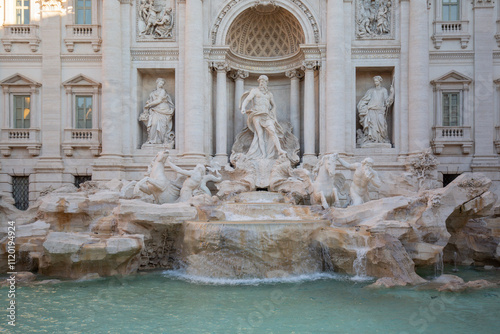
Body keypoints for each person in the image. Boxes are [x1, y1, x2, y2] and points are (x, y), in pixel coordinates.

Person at [240, 75, 287, 159]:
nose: (262, 83)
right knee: (260, 134)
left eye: (264, 81)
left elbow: (273, 105)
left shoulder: (269, 94)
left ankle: (279, 149)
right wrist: (243, 107)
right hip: (256, 115)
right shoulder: (255, 91)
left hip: (266, 115)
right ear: (259, 82)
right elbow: (247, 99)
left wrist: (273, 114)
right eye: (261, 81)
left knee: (272, 131)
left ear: (266, 83)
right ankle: (263, 154)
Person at [357, 76, 394, 144]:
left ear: (380, 81)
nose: (375, 83)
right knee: (372, 126)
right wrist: (362, 107)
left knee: (381, 124)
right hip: (371, 110)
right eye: (374, 81)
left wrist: (392, 93)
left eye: (376, 81)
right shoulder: (371, 91)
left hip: (380, 110)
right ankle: (373, 140)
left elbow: (387, 102)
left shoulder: (384, 90)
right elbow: (364, 100)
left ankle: (381, 139)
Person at [142, 78, 175, 144]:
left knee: (163, 127)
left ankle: (160, 140)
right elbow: (151, 101)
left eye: (163, 83)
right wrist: (148, 103)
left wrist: (149, 105)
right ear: (157, 83)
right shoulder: (152, 93)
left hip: (163, 109)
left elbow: (159, 100)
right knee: (154, 124)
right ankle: (152, 140)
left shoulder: (163, 91)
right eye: (160, 83)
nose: (161, 84)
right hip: (155, 110)